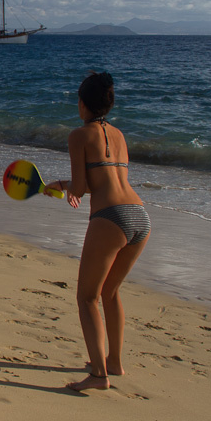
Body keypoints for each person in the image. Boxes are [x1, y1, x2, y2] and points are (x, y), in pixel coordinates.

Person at [44, 71, 150, 392]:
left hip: (110, 218)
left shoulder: (78, 136)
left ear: (82, 104)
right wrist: (67, 186)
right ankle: (114, 362)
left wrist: (61, 186)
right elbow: (100, 181)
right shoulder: (119, 135)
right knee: (110, 292)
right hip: (140, 216)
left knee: (87, 297)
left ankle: (99, 375)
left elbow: (81, 187)